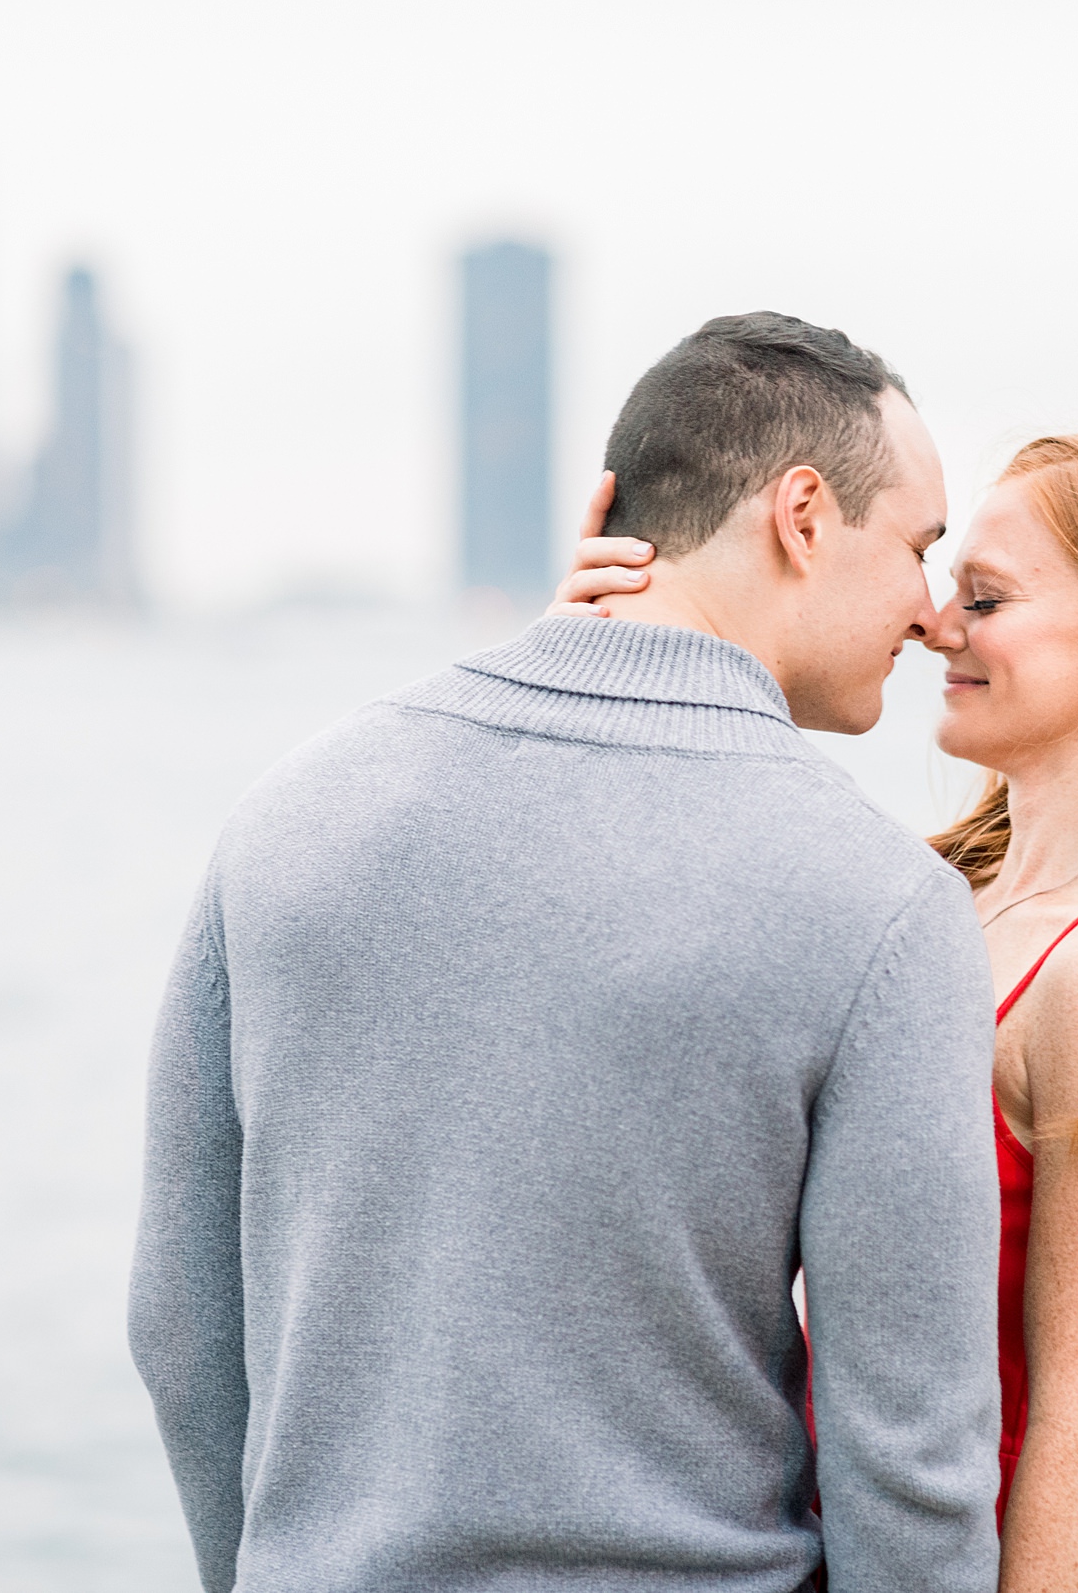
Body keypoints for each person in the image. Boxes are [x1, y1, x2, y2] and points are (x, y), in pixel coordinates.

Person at [129, 313, 1003, 1593]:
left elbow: (182, 1330)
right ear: (803, 515)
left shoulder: (288, 820)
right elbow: (911, 1470)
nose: (932, 614)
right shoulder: (879, 904)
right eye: (921, 548)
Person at [557, 432, 1078, 1592]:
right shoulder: (940, 892)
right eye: (950, 585)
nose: (933, 624)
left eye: (986, 598)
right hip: (838, 1529)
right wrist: (606, 664)